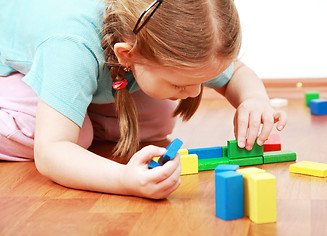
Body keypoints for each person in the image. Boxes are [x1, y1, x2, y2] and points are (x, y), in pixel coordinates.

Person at [0, 0, 286, 199]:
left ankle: (74, 109)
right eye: (181, 83)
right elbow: (50, 153)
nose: (197, 92)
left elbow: (238, 73)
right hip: (13, 69)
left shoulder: (160, 34)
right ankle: (75, 117)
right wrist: (123, 180)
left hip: (77, 67)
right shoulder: (71, 46)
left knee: (157, 117)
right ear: (127, 54)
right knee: (76, 138)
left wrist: (254, 99)